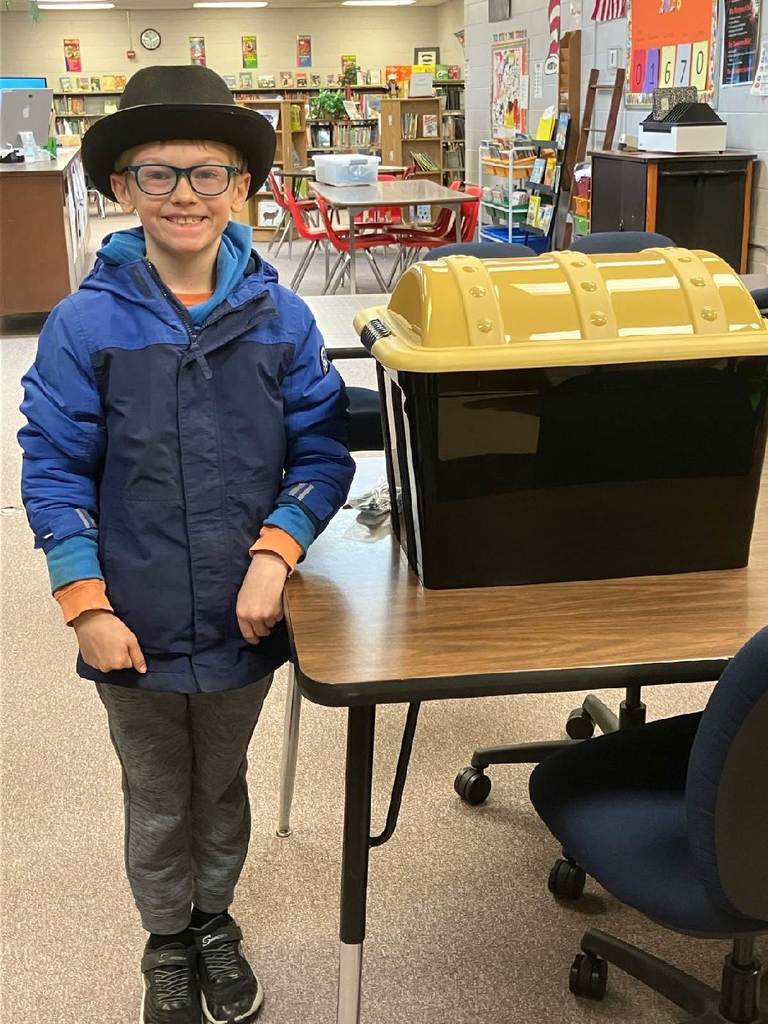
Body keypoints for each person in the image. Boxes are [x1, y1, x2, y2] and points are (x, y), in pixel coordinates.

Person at [18, 64, 354, 1024]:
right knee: (159, 791)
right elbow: (53, 470)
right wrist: (84, 604)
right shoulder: (86, 325)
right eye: (157, 175)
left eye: (208, 174)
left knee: (226, 781)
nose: (183, 196)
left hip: (246, 618)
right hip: (137, 620)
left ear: (242, 188)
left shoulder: (284, 321)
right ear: (123, 188)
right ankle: (167, 934)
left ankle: (216, 919)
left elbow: (321, 452)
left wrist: (276, 551)